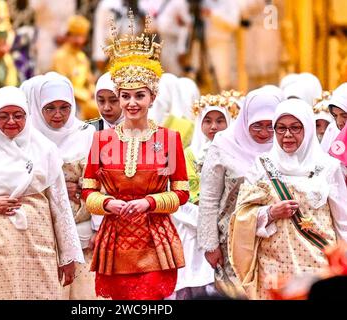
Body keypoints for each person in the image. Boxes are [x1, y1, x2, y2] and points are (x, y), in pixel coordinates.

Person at [82, 14, 189, 300]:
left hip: (156, 237)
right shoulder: (102, 139)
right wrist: (108, 204)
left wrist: (148, 202)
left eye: (139, 96)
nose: (131, 103)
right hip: (114, 237)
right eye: (125, 96)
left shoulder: (169, 139)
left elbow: (181, 193)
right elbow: (88, 191)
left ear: (152, 97)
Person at [0, 86, 84, 299]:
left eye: (18, 115)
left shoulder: (45, 150)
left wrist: (67, 257)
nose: (11, 121)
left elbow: (60, 205)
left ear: (28, 116)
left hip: (38, 247)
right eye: (3, 116)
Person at [229, 98, 347, 300]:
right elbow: (241, 215)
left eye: (295, 128)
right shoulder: (262, 165)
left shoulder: (328, 167)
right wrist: (270, 213)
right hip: (273, 266)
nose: (288, 135)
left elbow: (343, 220)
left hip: (318, 264)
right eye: (281, 129)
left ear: (308, 129)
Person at [197, 86, 282, 298]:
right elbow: (209, 198)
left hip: (277, 240)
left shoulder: (285, 146)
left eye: (270, 126)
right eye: (257, 126)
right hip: (232, 243)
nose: (264, 133)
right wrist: (210, 245)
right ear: (245, 120)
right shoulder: (224, 145)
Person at [26, 72, 98, 299]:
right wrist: (56, 188)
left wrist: (98, 227)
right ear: (38, 107)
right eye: (50, 108)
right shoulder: (29, 138)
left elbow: (98, 180)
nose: (58, 115)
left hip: (82, 230)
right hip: (42, 232)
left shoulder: (85, 133)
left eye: (65, 107)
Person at [170, 94, 231, 300]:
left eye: (220, 121)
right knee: (192, 285)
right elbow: (178, 196)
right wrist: (204, 221)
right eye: (208, 120)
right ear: (199, 122)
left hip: (225, 229)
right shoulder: (187, 154)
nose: (214, 126)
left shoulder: (234, 154)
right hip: (190, 229)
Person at [52, 15, 99, 120]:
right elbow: (63, 85)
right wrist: (85, 95)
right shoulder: (60, 56)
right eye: (76, 36)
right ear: (68, 35)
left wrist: (92, 91)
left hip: (85, 100)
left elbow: (89, 81)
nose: (79, 40)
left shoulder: (82, 56)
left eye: (82, 36)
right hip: (69, 100)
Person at [30, 0, 76, 74]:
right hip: (45, 38)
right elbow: (34, 6)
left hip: (65, 40)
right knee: (45, 69)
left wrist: (66, 36)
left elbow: (71, 17)